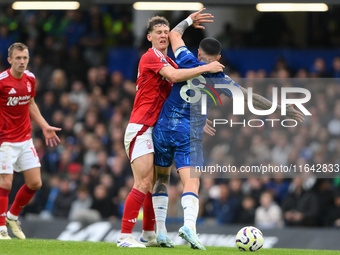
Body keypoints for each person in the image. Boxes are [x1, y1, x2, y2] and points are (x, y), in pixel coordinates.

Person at [152, 11, 305, 249]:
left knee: (161, 178)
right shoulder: (220, 79)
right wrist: (282, 110)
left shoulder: (185, 59)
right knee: (191, 183)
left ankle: (160, 231)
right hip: (188, 134)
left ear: (199, 53)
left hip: (163, 127)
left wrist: (190, 20)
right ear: (219, 57)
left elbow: (174, 33)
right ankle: (189, 227)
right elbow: (250, 99)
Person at [118, 11, 224, 248]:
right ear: (149, 37)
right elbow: (176, 77)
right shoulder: (151, 57)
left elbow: (178, 92)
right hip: (140, 126)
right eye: (158, 32)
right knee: (143, 182)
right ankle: (125, 236)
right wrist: (205, 67)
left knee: (155, 180)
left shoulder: (169, 61)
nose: (164, 35)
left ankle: (149, 234)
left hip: (157, 126)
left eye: (166, 32)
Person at [0, 42, 61, 240]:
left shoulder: (30, 79)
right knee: (6, 183)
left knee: (35, 183)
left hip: (25, 139)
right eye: (18, 58)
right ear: (9, 60)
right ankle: (1, 229)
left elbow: (31, 103)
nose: (22, 62)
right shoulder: (2, 81)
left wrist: (44, 126)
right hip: (5, 141)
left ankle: (12, 216)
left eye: (25, 58)